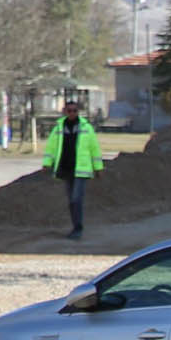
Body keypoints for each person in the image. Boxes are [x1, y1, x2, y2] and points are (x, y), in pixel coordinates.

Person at [45, 96, 101, 240]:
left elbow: (94, 148)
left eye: (75, 111)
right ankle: (75, 225)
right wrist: (47, 163)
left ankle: (78, 228)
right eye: (69, 110)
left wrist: (98, 167)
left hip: (81, 170)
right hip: (65, 168)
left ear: (78, 112)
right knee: (71, 200)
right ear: (64, 111)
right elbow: (51, 147)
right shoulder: (58, 128)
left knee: (76, 199)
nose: (72, 113)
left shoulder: (86, 128)